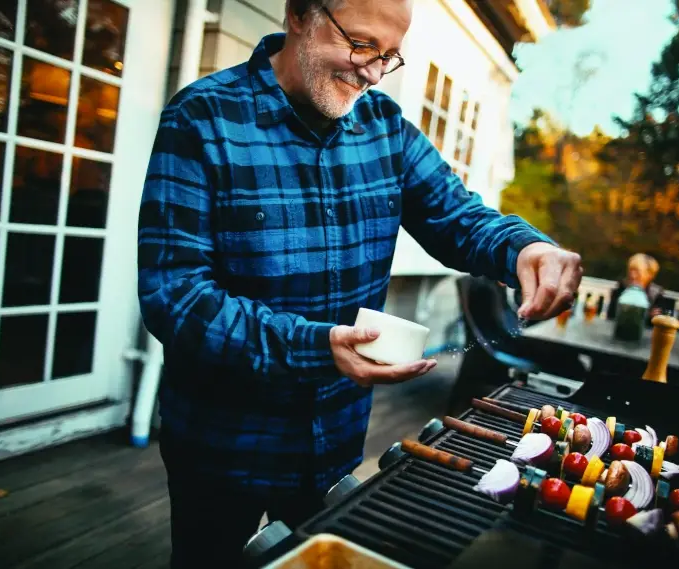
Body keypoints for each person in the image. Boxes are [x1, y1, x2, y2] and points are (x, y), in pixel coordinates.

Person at [136, 0, 583, 566]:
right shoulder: (201, 119)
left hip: (337, 436)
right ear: (299, 14)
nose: (373, 72)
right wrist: (313, 346)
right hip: (224, 446)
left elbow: (460, 218)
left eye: (389, 57)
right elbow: (174, 296)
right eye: (362, 45)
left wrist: (528, 247)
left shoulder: (387, 129)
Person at [607, 253, 674, 320]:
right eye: (631, 270)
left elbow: (659, 322)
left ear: (649, 274)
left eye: (637, 271)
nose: (632, 275)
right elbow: (611, 316)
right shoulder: (621, 288)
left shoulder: (657, 295)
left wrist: (652, 317)